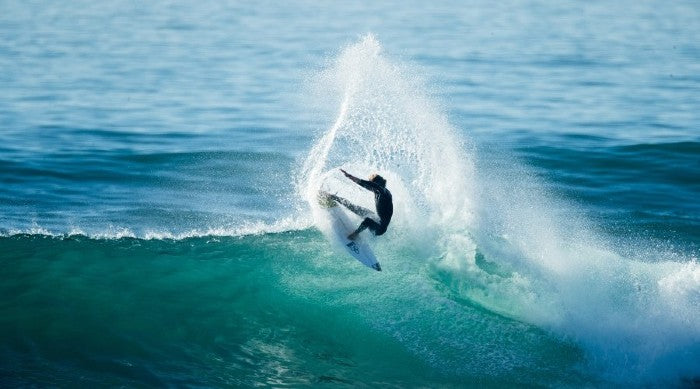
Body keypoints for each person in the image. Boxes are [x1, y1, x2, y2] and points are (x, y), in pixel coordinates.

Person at [322, 169, 393, 240]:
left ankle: (355, 234)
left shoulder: (383, 192)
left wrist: (350, 176)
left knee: (368, 220)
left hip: (379, 229)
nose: (371, 188)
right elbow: (366, 185)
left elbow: (370, 185)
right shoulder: (379, 191)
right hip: (377, 221)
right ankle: (333, 197)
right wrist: (350, 177)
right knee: (355, 208)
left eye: (373, 184)